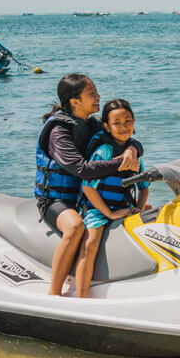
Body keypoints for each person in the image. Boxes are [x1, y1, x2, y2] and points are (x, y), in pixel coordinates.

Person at [35, 74, 141, 297]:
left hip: (84, 200)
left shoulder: (91, 124)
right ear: (75, 102)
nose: (98, 97)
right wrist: (122, 162)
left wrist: (133, 149)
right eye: (91, 93)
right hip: (56, 200)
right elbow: (81, 169)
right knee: (74, 227)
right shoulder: (58, 131)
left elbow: (122, 136)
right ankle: (54, 293)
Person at [77, 99, 150, 298]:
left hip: (124, 206)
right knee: (90, 244)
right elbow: (87, 187)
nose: (123, 127)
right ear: (107, 127)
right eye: (117, 123)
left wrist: (140, 208)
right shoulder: (103, 152)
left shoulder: (135, 156)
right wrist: (109, 213)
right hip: (98, 210)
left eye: (128, 121)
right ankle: (81, 298)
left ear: (134, 123)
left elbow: (143, 186)